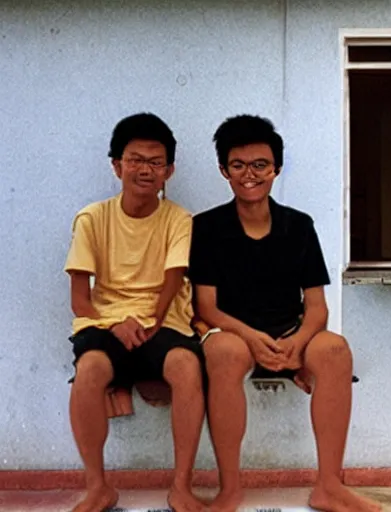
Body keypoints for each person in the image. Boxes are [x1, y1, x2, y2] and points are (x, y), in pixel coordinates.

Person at [189, 115, 381, 512]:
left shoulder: (299, 226)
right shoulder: (207, 227)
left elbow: (316, 307)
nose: (250, 174)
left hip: (289, 329)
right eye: (238, 165)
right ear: (224, 170)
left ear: (276, 168)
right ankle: (230, 489)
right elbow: (206, 305)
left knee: (334, 351)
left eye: (260, 164)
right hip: (230, 331)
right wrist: (250, 338)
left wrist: (298, 342)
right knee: (226, 355)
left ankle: (328, 485)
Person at [64, 113, 205, 512]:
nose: (145, 169)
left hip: (163, 323)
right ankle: (98, 487)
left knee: (186, 367)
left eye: (156, 162)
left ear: (169, 171)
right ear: (116, 165)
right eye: (135, 159)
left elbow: (173, 282)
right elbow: (80, 300)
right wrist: (114, 324)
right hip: (107, 322)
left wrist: (148, 323)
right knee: (89, 371)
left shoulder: (179, 219)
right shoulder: (93, 218)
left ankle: (182, 487)